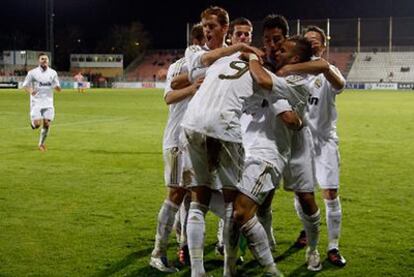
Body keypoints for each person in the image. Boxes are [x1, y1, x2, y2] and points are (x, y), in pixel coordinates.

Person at [285, 25, 347, 267]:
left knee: (330, 194)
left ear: (324, 45)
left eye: (316, 41)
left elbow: (340, 84)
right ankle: (306, 230)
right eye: (307, 40)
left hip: (325, 142)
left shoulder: (327, 71)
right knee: (303, 195)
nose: (312, 44)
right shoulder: (294, 75)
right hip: (300, 142)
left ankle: (333, 246)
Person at [149, 23, 205, 273]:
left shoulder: (210, 63)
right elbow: (168, 97)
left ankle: (185, 244)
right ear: (196, 40)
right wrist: (194, 87)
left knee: (193, 195)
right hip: (176, 141)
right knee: (175, 194)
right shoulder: (181, 65)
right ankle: (158, 253)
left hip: (198, 140)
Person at [22, 53, 61, 152]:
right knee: (37, 125)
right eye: (42, 59)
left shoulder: (53, 73)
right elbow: (25, 85)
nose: (44, 60)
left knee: (47, 124)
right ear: (38, 61)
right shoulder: (32, 73)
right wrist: (31, 91)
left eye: (46, 59)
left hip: (48, 102)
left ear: (48, 61)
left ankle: (41, 144)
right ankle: (33, 124)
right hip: (36, 102)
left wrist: (58, 88)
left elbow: (57, 85)